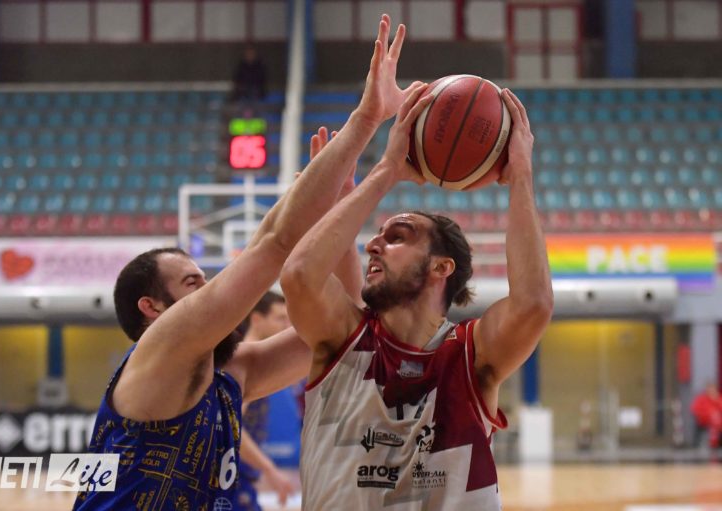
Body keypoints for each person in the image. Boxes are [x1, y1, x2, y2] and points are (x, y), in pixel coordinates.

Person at [73, 14, 415, 510]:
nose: (211, 290)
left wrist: (341, 208)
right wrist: (366, 121)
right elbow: (273, 244)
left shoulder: (231, 376)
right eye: (193, 284)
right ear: (152, 308)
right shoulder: (161, 348)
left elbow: (344, 331)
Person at [281, 86, 553, 509]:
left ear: (441, 267)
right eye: (377, 237)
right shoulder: (345, 340)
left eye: (397, 237)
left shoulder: (470, 354)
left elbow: (533, 304)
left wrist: (520, 175)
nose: (373, 245)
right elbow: (299, 276)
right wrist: (386, 170)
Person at [234, 292, 295, 510]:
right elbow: (232, 426)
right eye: (280, 318)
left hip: (242, 474)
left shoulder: (261, 360)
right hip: (231, 475)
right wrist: (270, 469)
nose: (287, 326)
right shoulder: (243, 361)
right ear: (257, 319)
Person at [691, 382, 722, 450]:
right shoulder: (701, 399)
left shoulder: (719, 398)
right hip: (704, 422)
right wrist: (707, 416)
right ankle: (696, 448)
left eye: (713, 389)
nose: (711, 391)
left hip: (718, 424)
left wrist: (716, 400)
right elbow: (694, 410)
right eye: (710, 389)